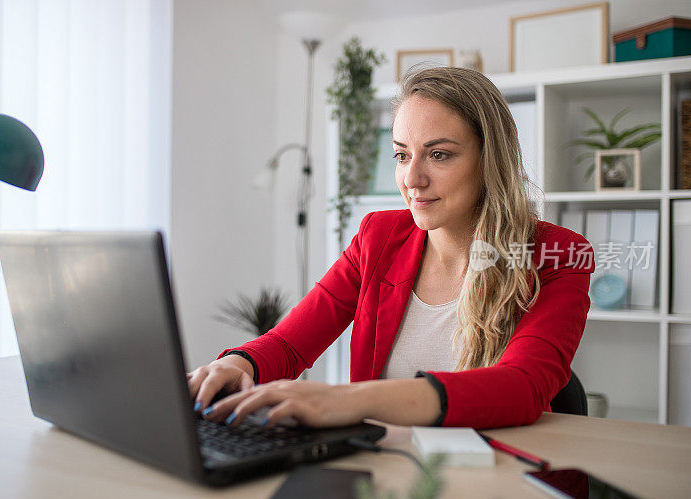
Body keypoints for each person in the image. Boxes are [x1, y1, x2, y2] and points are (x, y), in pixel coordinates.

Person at [186, 66, 595, 430]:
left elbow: (522, 387)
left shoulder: (557, 254)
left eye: (438, 155)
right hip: (386, 465)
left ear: (491, 159)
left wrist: (346, 401)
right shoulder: (378, 237)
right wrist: (237, 363)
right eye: (402, 155)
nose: (412, 179)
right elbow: (291, 343)